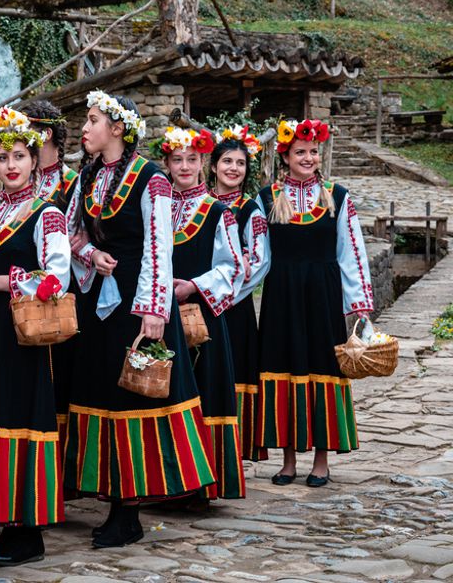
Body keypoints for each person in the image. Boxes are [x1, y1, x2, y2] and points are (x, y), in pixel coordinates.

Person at [65, 91, 215, 548]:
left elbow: (159, 247)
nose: (85, 129)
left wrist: (153, 311)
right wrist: (92, 253)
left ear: (117, 128)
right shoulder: (88, 176)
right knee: (104, 392)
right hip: (99, 303)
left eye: (92, 121)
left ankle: (127, 510)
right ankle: (111, 492)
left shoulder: (151, 178)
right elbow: (72, 234)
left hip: (137, 305)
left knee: (133, 397)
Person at [0, 107, 71, 565]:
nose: (11, 165)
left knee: (19, 419)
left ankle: (27, 530)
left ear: (34, 160)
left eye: (20, 156)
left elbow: (57, 278)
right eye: (3, 156)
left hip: (21, 336)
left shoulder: (46, 215)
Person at [256, 119, 373, 488]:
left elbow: (351, 253)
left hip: (322, 295)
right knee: (285, 365)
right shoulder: (268, 198)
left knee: (322, 367)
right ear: (285, 157)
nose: (308, 158)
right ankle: (288, 460)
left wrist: (359, 304)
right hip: (282, 295)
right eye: (300, 153)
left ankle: (321, 460)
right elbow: (257, 256)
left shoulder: (336, 196)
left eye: (312, 152)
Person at [153, 127, 245, 501]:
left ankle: (201, 485)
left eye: (192, 159)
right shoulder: (155, 207)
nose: (185, 166)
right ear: (167, 164)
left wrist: (193, 286)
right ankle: (165, 479)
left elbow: (233, 268)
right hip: (162, 313)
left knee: (203, 390)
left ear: (203, 162)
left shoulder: (216, 211)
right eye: (178, 160)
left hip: (201, 319)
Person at [20, 100, 79, 467]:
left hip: (61, 292)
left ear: (46, 134)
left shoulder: (72, 182)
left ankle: (62, 466)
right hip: (22, 297)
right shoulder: (12, 183)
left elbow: (82, 235)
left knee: (64, 377)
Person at [208, 128, 271, 463]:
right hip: (197, 304)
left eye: (241, 163)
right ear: (214, 165)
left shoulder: (250, 209)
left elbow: (259, 262)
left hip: (233, 308)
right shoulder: (197, 203)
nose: (233, 168)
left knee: (232, 375)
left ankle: (230, 455)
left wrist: (223, 295)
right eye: (227, 161)